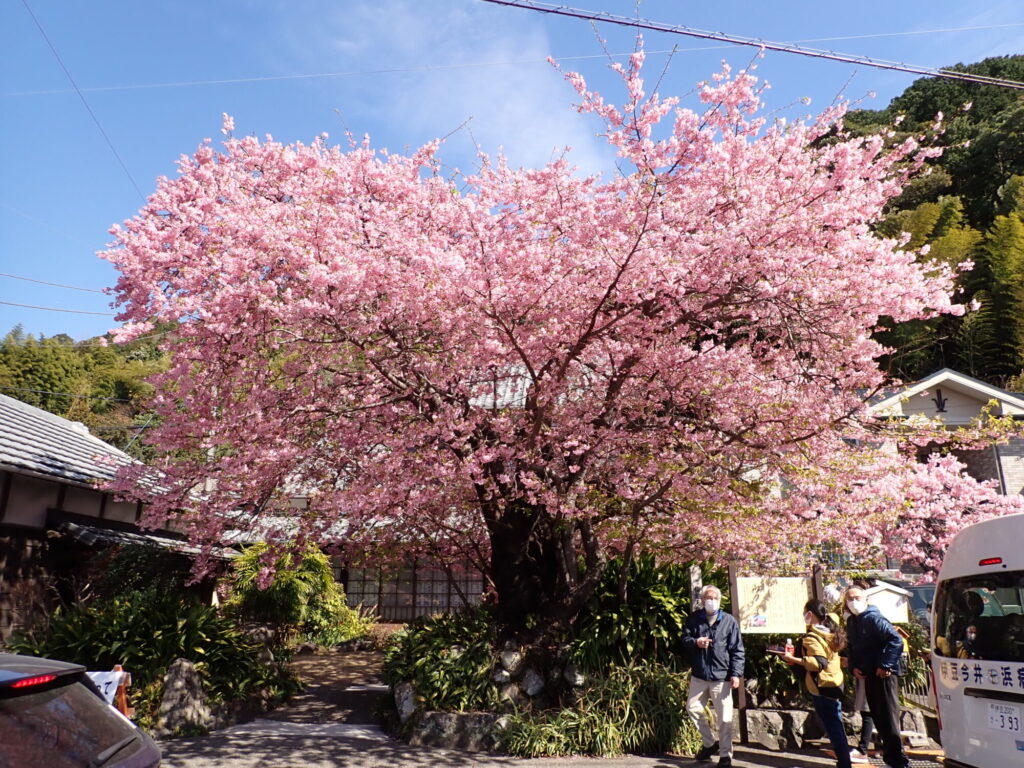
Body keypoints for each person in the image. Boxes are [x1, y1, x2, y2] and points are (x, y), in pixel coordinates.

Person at [781, 599, 852, 768]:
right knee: (836, 723)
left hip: (822, 685)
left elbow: (818, 663)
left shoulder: (812, 637)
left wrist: (792, 659)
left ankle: (845, 762)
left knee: (833, 726)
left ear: (810, 614)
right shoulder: (831, 629)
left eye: (805, 612)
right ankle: (844, 760)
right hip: (835, 681)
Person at [845, 585, 909, 768]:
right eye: (850, 599)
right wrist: (853, 667)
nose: (854, 602)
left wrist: (885, 664)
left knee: (888, 719)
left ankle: (899, 762)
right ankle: (891, 759)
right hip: (868, 674)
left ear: (866, 600)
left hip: (883, 675)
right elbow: (852, 648)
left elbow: (896, 640)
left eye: (857, 598)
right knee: (879, 719)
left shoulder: (873, 618)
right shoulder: (852, 622)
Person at [682, 585, 745, 767]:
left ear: (719, 600)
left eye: (714, 598)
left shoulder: (729, 621)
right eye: (708, 598)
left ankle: (725, 756)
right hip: (700, 675)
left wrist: (736, 674)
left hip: (721, 677)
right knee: (692, 708)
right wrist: (696, 642)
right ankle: (710, 743)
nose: (711, 601)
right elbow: (684, 640)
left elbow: (737, 650)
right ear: (702, 600)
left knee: (725, 718)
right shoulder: (694, 619)